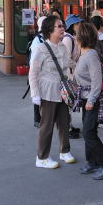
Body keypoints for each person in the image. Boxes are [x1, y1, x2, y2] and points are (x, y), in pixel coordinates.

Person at [28, 15, 75, 169]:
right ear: (50, 30)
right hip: (47, 91)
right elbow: (33, 73)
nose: (63, 28)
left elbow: (68, 63)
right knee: (46, 125)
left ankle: (64, 151)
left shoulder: (62, 46)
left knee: (64, 121)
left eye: (62, 25)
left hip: (63, 90)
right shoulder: (40, 49)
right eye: (59, 26)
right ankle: (42, 157)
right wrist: (35, 94)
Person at [75, 22, 103, 179]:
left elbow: (96, 81)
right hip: (87, 98)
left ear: (81, 38)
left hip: (92, 99)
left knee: (88, 132)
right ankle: (92, 161)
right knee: (89, 131)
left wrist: (91, 100)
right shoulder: (86, 54)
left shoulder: (90, 55)